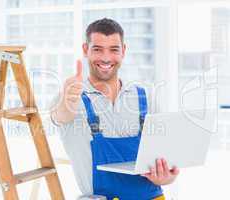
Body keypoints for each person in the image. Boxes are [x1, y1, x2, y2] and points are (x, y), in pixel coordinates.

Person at [50, 18, 179, 200]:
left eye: (113, 49)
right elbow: (59, 116)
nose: (105, 58)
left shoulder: (146, 97)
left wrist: (166, 177)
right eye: (97, 49)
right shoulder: (71, 95)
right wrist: (67, 103)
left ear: (123, 51)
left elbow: (165, 160)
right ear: (86, 50)